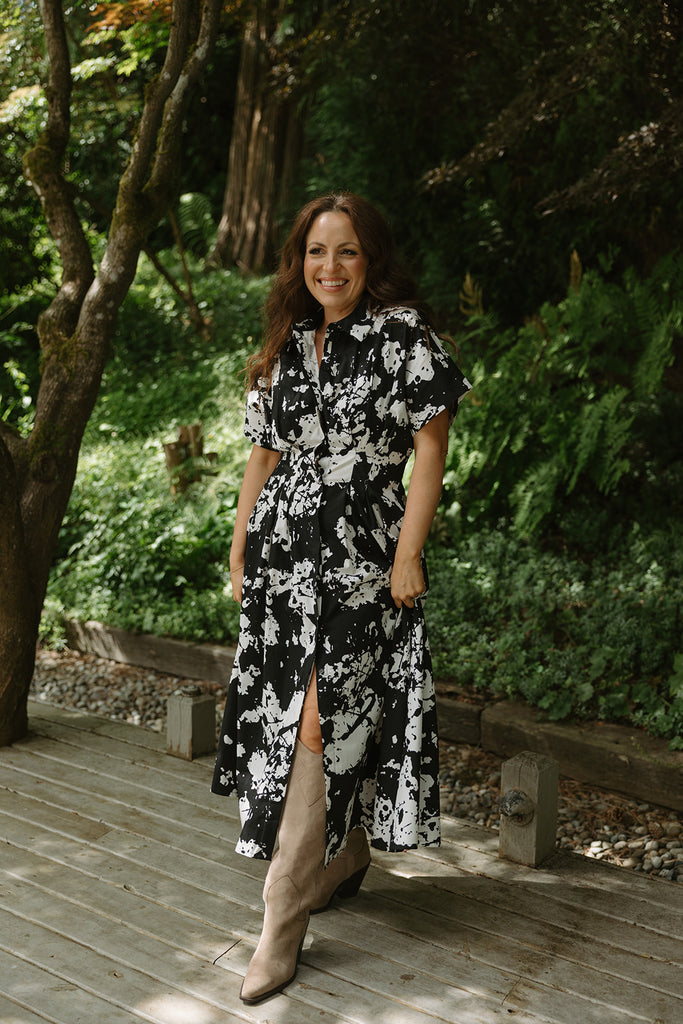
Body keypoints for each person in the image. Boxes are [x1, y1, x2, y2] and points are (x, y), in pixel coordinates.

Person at [211, 192, 471, 1005]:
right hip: (283, 559)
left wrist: (408, 553)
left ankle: (280, 914)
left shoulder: (403, 338)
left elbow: (429, 452)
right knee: (299, 712)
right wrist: (240, 542)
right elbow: (263, 455)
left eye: (347, 251)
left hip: (364, 557)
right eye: (316, 251)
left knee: (321, 718)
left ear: (371, 259)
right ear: (300, 261)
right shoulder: (286, 343)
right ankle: (344, 852)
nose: (330, 267)